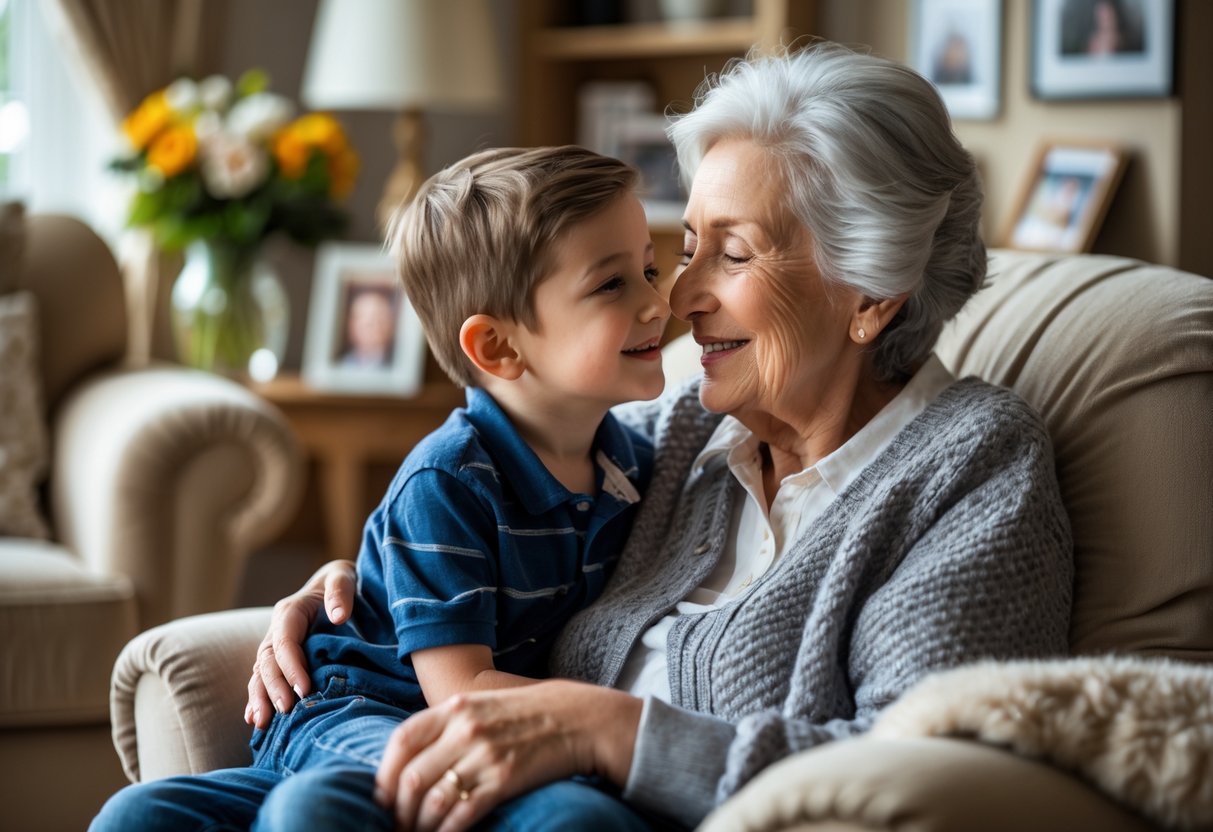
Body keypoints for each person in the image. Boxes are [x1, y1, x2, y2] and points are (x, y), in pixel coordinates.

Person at [250, 43, 1075, 832]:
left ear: (870, 296)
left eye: (733, 254)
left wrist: (613, 732)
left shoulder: (970, 467)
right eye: (685, 248)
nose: (678, 297)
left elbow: (928, 772)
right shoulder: (682, 430)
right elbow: (488, 491)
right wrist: (356, 585)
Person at [90, 146, 672, 831]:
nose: (655, 301)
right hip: (356, 708)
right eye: (612, 284)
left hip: (458, 730)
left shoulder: (633, 465)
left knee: (150, 813)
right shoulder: (449, 478)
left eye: (649, 269)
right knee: (252, 808)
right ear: (497, 348)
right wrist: (610, 724)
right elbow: (462, 693)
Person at [339, 283, 397, 368]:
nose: (374, 324)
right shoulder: (343, 364)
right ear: (352, 326)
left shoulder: (398, 363)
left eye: (380, 316)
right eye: (364, 317)